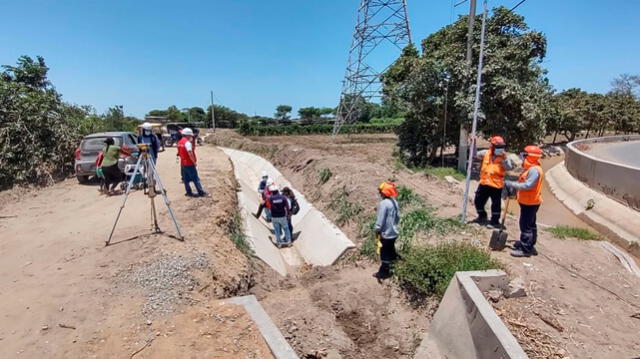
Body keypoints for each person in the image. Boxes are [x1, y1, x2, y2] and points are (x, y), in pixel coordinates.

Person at [505, 145, 544, 257]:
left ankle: (525, 249)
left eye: (524, 155)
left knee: (525, 225)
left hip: (530, 202)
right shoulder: (530, 168)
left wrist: (513, 184)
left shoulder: (534, 170)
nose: (522, 157)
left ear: (530, 156)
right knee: (531, 224)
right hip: (528, 201)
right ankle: (529, 244)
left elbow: (528, 185)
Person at [470, 136, 515, 228]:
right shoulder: (486, 153)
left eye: (501, 147)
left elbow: (509, 168)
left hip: (496, 185)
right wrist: (473, 142)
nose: (499, 149)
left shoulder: (504, 157)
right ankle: (482, 216)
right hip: (484, 183)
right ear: (492, 146)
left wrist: (505, 159)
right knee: (478, 201)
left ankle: (494, 222)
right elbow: (474, 154)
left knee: (495, 204)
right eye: (497, 147)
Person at [373, 181, 400, 280]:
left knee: (384, 252)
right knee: (391, 250)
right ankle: (395, 268)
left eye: (380, 192)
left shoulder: (384, 203)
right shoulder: (394, 202)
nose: (380, 193)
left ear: (384, 192)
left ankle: (384, 272)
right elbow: (398, 217)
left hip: (386, 233)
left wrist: (377, 229)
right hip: (394, 232)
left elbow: (381, 219)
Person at [177, 128, 208, 197]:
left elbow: (179, 153)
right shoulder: (187, 143)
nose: (191, 137)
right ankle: (201, 192)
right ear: (187, 135)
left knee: (186, 179)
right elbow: (190, 153)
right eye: (191, 136)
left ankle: (188, 192)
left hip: (183, 163)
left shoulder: (179, 142)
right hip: (189, 163)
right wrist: (194, 162)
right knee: (195, 178)